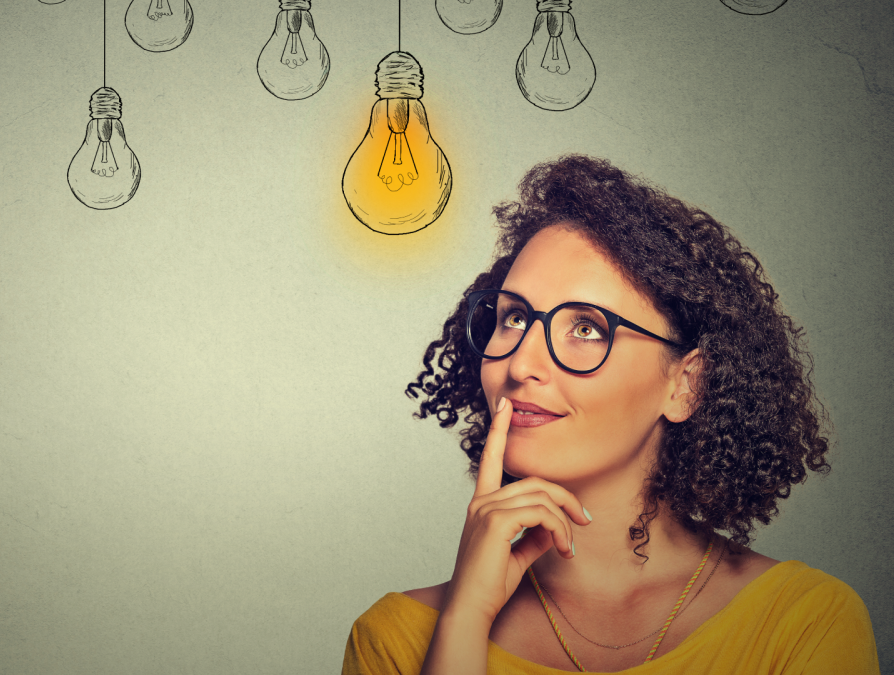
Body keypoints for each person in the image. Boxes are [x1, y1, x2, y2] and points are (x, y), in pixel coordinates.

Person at [341, 155, 879, 674]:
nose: (522, 362)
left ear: (685, 384)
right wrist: (464, 622)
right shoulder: (395, 639)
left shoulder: (804, 622)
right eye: (514, 318)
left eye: (586, 329)